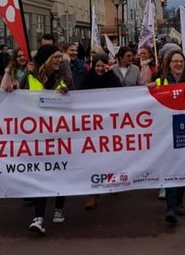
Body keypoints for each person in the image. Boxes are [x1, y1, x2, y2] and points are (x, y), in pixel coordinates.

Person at [25, 45, 72, 234]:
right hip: (37, 134)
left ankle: (59, 206)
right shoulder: (31, 76)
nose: (59, 60)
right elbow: (11, 93)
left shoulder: (64, 77)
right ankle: (38, 217)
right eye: (55, 57)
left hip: (60, 133)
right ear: (45, 58)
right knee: (40, 174)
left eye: (60, 57)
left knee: (60, 170)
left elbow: (75, 98)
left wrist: (67, 91)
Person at [151, 49, 185, 224]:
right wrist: (147, 90)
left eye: (181, 61)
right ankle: (170, 208)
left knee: (183, 168)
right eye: (175, 61)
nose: (178, 64)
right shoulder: (160, 81)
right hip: (166, 131)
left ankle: (179, 201)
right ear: (169, 64)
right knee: (170, 168)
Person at [81, 52, 122, 209]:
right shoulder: (87, 77)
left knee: (109, 153)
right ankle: (91, 194)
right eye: (96, 66)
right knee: (92, 157)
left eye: (101, 66)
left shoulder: (110, 76)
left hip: (108, 122)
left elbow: (119, 89)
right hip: (92, 123)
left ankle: (112, 181)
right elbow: (80, 92)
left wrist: (109, 72)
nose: (99, 69)